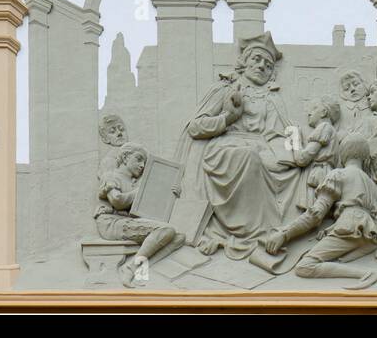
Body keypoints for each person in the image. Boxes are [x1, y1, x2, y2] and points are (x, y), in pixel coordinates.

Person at [175, 32, 301, 258]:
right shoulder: (225, 89)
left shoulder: (273, 99)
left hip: (262, 149)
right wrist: (227, 118)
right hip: (225, 147)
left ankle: (276, 232)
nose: (262, 66)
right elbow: (196, 127)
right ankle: (253, 234)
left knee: (296, 169)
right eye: (257, 59)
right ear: (244, 62)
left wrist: (298, 150)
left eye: (268, 65)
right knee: (250, 157)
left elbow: (280, 133)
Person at [260, 136, 377, 289]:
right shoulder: (372, 184)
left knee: (305, 266)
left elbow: (315, 214)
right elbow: (367, 213)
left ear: (342, 155)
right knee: (332, 260)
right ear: (365, 158)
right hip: (370, 236)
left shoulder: (338, 174)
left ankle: (370, 273)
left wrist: (285, 234)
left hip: (350, 229)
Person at [95, 143, 183, 287]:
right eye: (138, 159)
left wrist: (171, 195)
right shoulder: (110, 176)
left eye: (144, 162)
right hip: (112, 223)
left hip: (128, 222)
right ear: (125, 157)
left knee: (179, 238)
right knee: (166, 230)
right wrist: (140, 192)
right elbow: (118, 201)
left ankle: (136, 267)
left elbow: (149, 211)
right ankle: (130, 268)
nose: (142, 165)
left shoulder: (135, 183)